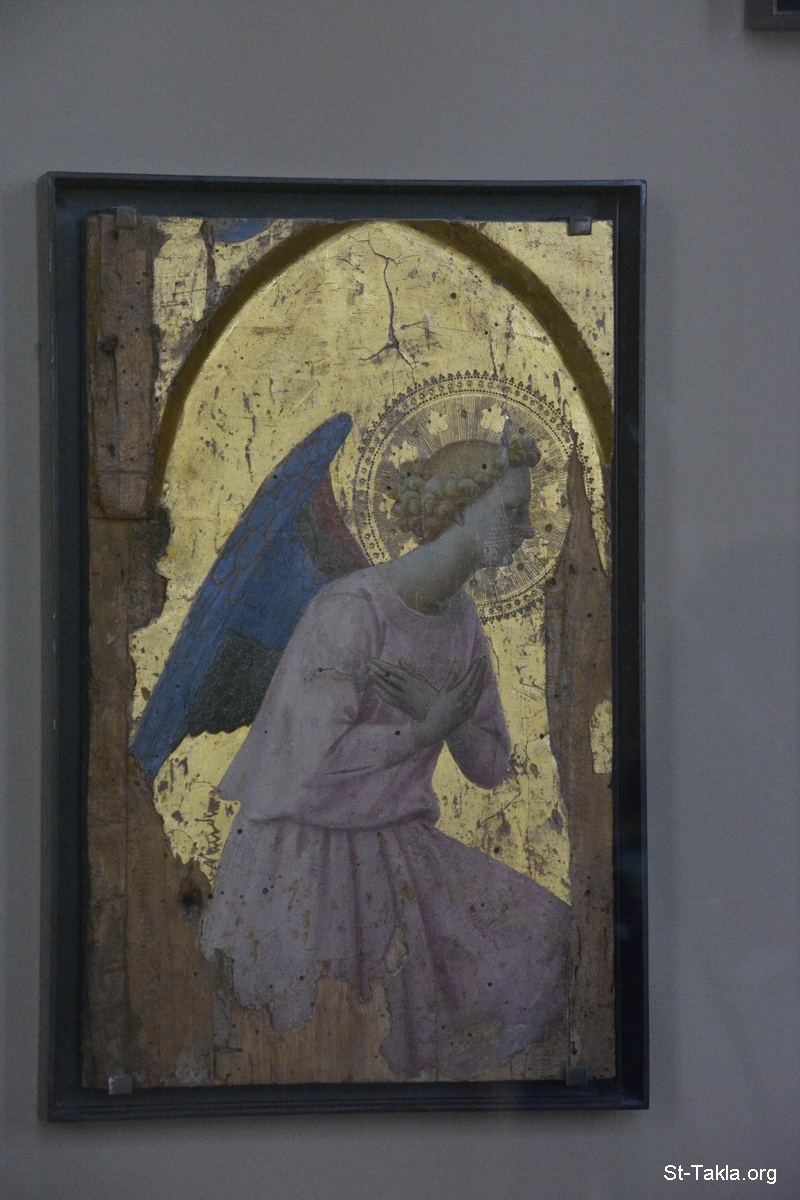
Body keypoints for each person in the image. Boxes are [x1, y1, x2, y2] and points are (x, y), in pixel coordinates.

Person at [200, 438, 570, 1079]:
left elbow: (490, 766)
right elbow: (310, 765)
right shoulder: (351, 612)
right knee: (346, 1039)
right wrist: (425, 728)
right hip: (305, 857)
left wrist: (449, 723)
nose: (527, 530)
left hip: (396, 844)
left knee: (551, 937)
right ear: (462, 508)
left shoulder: (460, 618)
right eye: (512, 511)